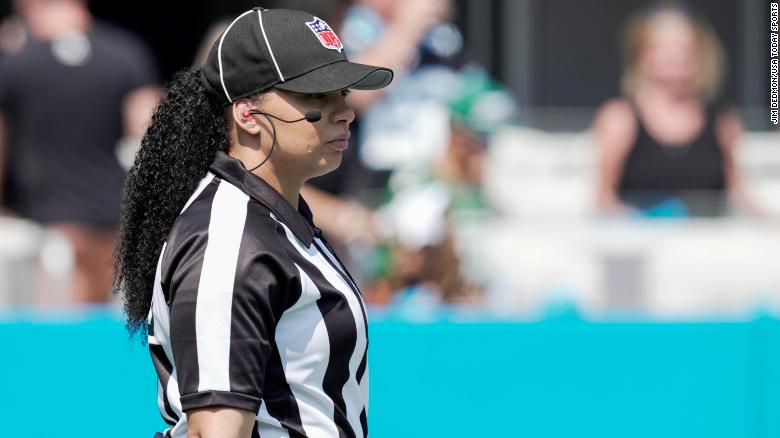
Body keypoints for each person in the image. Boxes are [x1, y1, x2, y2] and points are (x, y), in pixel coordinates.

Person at [113, 7, 392, 438]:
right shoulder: (228, 236)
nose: (345, 112)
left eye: (342, 92)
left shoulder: (268, 218)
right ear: (247, 114)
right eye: (317, 96)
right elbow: (215, 431)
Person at [0, 0, 160, 303]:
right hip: (113, 224)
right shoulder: (126, 52)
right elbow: (151, 137)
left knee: (56, 326)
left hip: (44, 230)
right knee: (108, 324)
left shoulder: (15, 60)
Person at [592, 3, 755, 217]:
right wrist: (644, 221)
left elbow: (739, 195)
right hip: (641, 235)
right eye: (663, 48)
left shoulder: (722, 120)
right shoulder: (620, 119)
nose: (675, 56)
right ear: (642, 56)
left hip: (707, 236)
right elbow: (603, 200)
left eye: (684, 48)